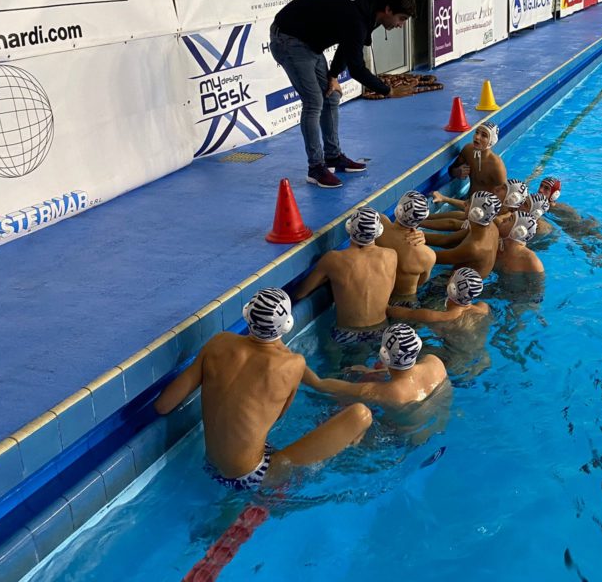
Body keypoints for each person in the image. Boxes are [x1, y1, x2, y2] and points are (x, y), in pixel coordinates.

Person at [154, 289, 372, 491]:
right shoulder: (293, 364)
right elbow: (278, 416)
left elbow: (163, 406)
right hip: (252, 476)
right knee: (360, 415)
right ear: (288, 324)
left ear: (246, 314)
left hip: (211, 465)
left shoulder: (218, 343)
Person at [270, 0, 417, 188]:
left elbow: (347, 44)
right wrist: (387, 90)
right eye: (402, 19)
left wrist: (333, 75)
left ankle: (333, 157)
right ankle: (315, 168)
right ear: (388, 9)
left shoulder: (372, 7)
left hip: (310, 43)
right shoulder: (358, 16)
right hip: (288, 38)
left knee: (331, 96)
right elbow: (356, 67)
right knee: (314, 102)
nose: (401, 25)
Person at [294, 206, 397, 346]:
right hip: (380, 331)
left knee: (331, 349)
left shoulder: (333, 259)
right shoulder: (391, 256)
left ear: (349, 227)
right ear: (378, 231)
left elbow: (300, 294)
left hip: (346, 334)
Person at [303, 323, 448, 407]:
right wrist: (372, 371)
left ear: (384, 354)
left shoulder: (386, 393)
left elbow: (319, 384)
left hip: (400, 438)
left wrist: (294, 363)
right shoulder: (434, 362)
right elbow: (407, 372)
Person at [376, 190, 435, 307]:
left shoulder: (379, 224)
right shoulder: (427, 254)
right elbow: (421, 282)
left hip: (379, 297)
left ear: (398, 209)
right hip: (406, 303)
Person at [425, 191, 502, 278]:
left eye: (469, 202)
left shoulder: (474, 247)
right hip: (469, 277)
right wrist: (419, 231)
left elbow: (432, 258)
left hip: (459, 286)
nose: (465, 203)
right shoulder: (490, 226)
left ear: (476, 213)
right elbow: (446, 240)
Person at [446, 122, 507, 197]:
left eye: (483, 135)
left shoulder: (496, 165)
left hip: (485, 205)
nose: (477, 137)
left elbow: (505, 195)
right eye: (477, 132)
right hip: (468, 201)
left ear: (491, 142)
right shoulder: (467, 150)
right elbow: (450, 170)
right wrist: (455, 172)